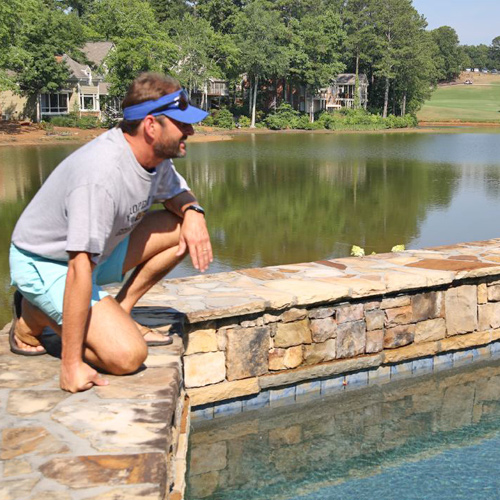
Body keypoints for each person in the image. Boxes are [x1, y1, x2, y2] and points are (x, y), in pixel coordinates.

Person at [9, 72, 213, 393]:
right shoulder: (101, 176)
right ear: (150, 126)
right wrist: (72, 365)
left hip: (96, 252)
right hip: (47, 262)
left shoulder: (154, 159)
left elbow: (176, 196)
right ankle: (33, 315)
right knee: (127, 355)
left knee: (183, 229)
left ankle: (122, 310)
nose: (190, 130)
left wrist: (193, 212)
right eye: (181, 123)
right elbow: (79, 268)